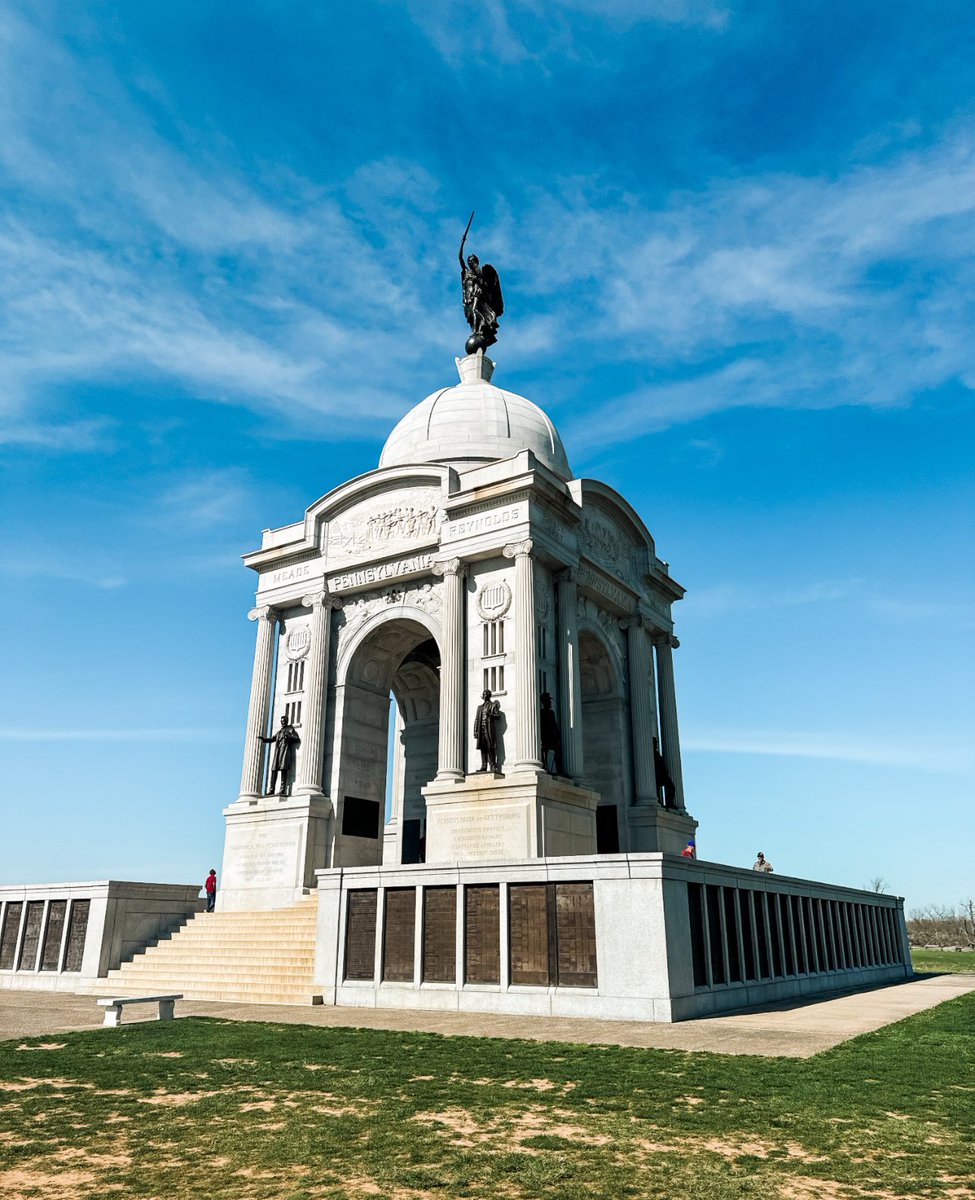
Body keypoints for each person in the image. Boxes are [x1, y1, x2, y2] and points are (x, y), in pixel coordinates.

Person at [259, 714, 301, 796]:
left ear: (286, 721)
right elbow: (272, 739)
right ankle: (271, 789)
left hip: (284, 752)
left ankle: (282, 790)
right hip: (278, 753)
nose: (282, 722)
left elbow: (296, 739)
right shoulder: (279, 732)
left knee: (283, 771)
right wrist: (264, 739)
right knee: (274, 770)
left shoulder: (290, 729)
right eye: (281, 721)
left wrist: (288, 737)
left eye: (284, 721)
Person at [473, 689, 501, 772]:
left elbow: (498, 716)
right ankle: (484, 765)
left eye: (486, 694)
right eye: (483, 694)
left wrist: (490, 715)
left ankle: (492, 765)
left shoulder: (493, 705)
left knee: (490, 747)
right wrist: (475, 731)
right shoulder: (479, 707)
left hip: (488, 730)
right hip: (481, 730)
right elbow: (477, 720)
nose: (484, 695)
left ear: (489, 695)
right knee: (482, 748)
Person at [539, 692, 564, 776]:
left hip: (552, 737)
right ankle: (545, 768)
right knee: (544, 750)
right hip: (545, 736)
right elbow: (542, 725)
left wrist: (557, 735)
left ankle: (559, 770)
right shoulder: (541, 713)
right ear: (544, 702)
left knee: (558, 749)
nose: (550, 702)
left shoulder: (551, 712)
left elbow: (554, 725)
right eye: (548, 701)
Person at [652, 736, 676, 807]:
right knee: (657, 790)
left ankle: (670, 803)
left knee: (672, 788)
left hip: (663, 775)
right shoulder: (652, 754)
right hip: (657, 775)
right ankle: (660, 802)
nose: (656, 745)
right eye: (655, 743)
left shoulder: (656, 754)